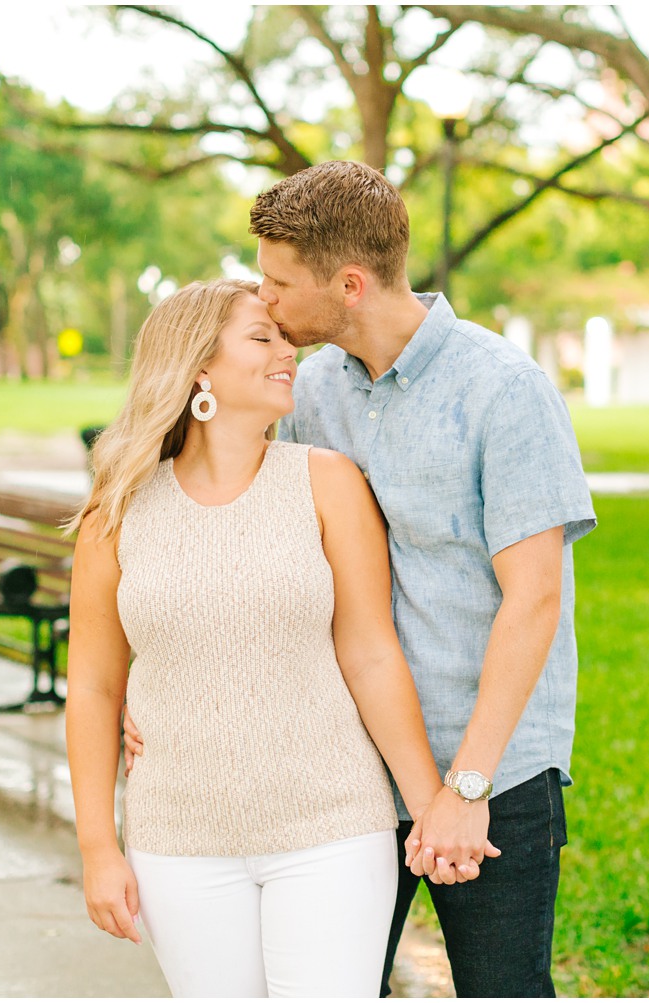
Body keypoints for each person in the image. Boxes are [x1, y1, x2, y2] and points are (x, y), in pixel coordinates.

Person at [131, 162, 597, 996]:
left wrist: (465, 786)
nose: (264, 302)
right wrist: (152, 697)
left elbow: (534, 601)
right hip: (347, 773)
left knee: (505, 991)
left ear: (348, 283)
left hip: (493, 768)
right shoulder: (306, 393)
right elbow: (232, 552)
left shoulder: (506, 392)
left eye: (277, 283)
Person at [64, 278, 466, 998]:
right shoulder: (117, 511)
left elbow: (371, 653)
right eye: (263, 338)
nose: (290, 352)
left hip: (331, 829)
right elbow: (94, 687)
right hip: (176, 841)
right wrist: (99, 846)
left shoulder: (326, 483)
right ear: (199, 369)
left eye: (285, 337)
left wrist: (429, 801)